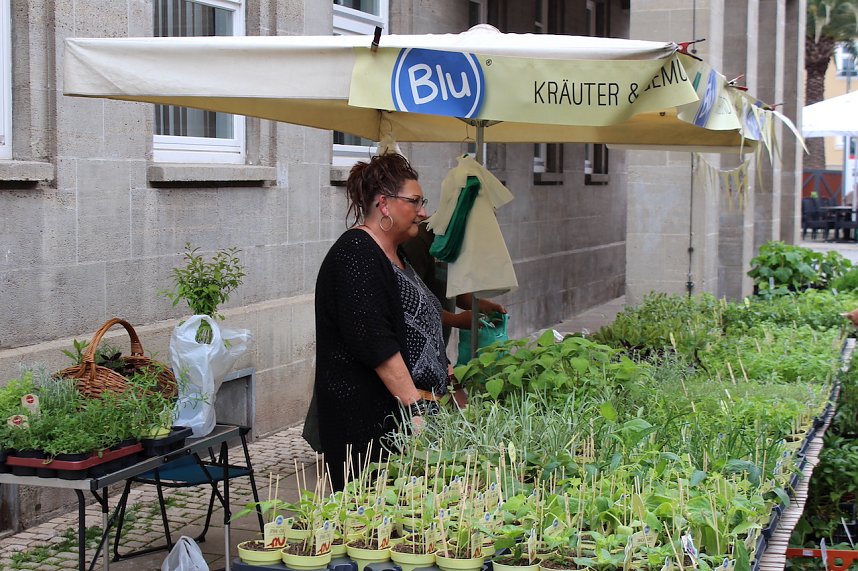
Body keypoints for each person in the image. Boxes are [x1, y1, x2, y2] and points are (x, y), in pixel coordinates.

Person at [307, 153, 450, 491]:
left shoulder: (395, 255)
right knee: (374, 526)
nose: (423, 212)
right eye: (414, 201)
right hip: (371, 424)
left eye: (423, 202)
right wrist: (415, 409)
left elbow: (418, 326)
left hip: (408, 415)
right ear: (384, 204)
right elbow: (376, 343)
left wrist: (446, 375)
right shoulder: (355, 254)